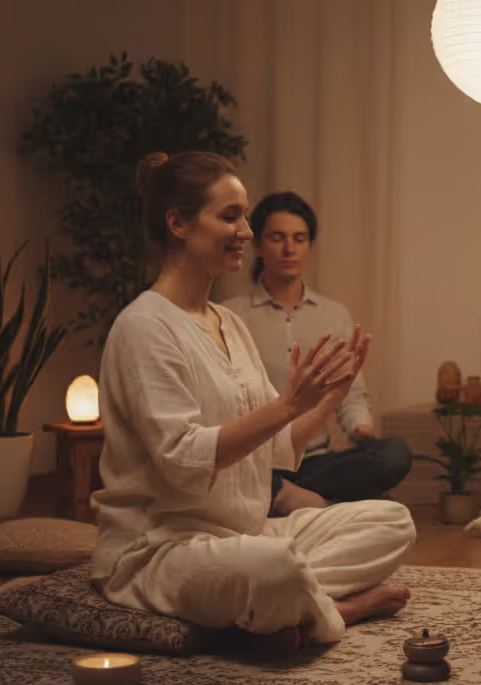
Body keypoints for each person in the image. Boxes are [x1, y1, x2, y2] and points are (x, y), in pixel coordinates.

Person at [90, 151, 416, 649]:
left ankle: (283, 610)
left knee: (392, 522)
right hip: (163, 548)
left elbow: (276, 446)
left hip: (248, 533)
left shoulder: (228, 322)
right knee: (272, 567)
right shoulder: (143, 327)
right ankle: (332, 612)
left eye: (244, 216)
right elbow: (181, 461)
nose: (246, 231)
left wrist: (330, 399)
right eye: (230, 216)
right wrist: (289, 403)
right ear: (177, 223)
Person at [221, 191, 412, 508]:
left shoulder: (333, 315)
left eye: (299, 238)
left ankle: (301, 501)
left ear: (309, 244)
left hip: (315, 464)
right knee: (375, 503)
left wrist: (361, 431)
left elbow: (350, 392)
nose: (289, 248)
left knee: (393, 454)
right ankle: (318, 503)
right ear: (256, 245)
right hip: (257, 463)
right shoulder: (230, 316)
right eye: (277, 238)